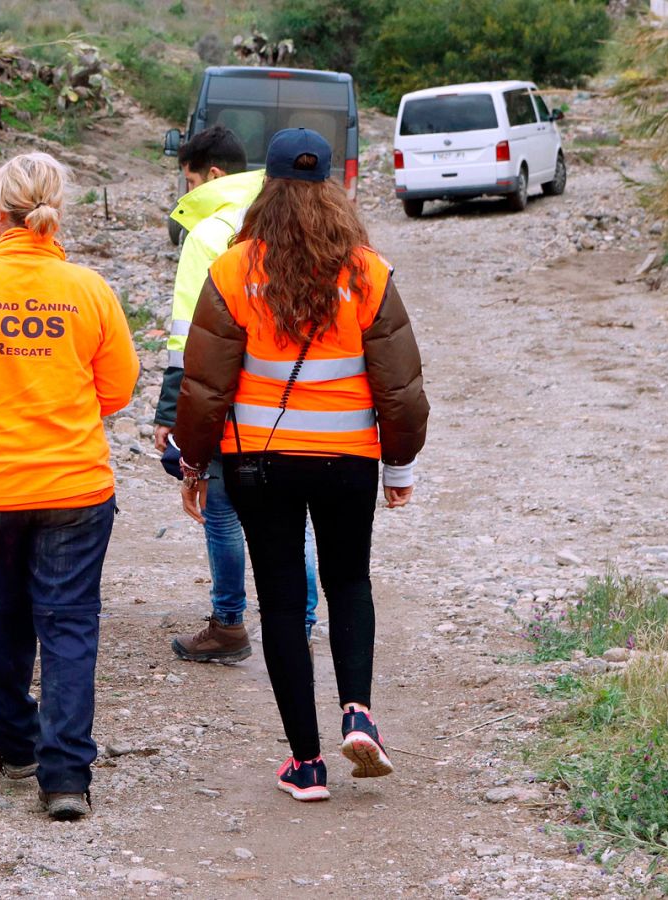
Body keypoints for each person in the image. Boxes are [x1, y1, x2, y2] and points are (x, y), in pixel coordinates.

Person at [173, 129, 428, 802]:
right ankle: (359, 713)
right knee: (349, 582)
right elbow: (399, 386)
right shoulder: (368, 270)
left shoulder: (231, 272)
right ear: (332, 194)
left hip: (260, 463)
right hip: (349, 460)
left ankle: (307, 765)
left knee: (283, 604)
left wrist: (194, 464)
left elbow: (205, 386)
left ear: (269, 190)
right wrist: (399, 466)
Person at [0, 152, 139, 821]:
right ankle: (66, 777)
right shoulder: (88, 290)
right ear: (55, 211)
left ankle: (15, 745)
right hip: (73, 486)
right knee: (68, 624)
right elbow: (118, 389)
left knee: (2, 619)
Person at [153, 126, 322, 663]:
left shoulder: (211, 234)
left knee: (222, 509)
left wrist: (171, 415)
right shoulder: (316, 226)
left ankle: (229, 623)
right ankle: (304, 618)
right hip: (306, 396)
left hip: (236, 402)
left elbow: (190, 340)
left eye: (190, 179)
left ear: (213, 176)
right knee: (297, 517)